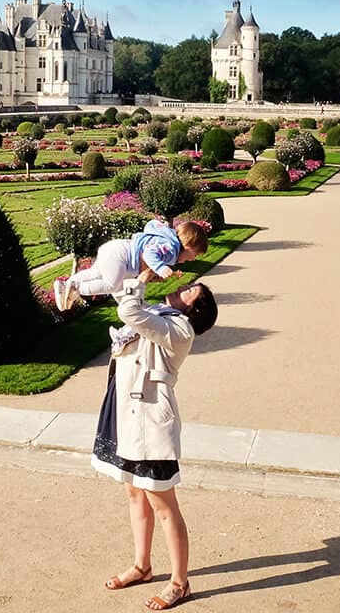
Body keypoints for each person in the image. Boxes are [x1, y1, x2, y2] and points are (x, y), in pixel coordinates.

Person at [91, 270, 218, 609]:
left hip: (150, 422)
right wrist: (130, 270)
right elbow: (127, 302)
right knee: (134, 493)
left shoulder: (180, 329)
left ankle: (180, 583)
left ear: (196, 308)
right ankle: (142, 566)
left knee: (163, 504)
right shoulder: (161, 315)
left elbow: (129, 311)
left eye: (193, 290)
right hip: (128, 415)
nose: (185, 286)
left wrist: (143, 278)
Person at [53, 220, 208, 312]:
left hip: (115, 249)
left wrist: (155, 273)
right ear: (188, 245)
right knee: (111, 285)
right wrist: (160, 267)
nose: (192, 259)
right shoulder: (171, 248)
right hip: (122, 255)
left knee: (96, 273)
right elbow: (149, 253)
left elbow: (147, 259)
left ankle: (67, 283)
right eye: (195, 254)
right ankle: (75, 289)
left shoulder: (167, 244)